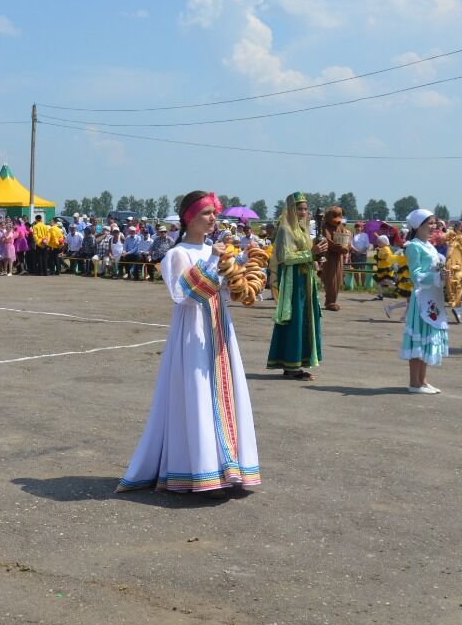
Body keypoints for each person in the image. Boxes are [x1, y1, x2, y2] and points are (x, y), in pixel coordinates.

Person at [115, 191, 260, 496]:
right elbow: (184, 294)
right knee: (196, 393)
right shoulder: (177, 254)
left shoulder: (214, 249)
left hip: (219, 328)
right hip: (192, 330)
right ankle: (200, 470)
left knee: (224, 392)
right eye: (206, 213)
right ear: (189, 218)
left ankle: (228, 466)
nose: (213, 219)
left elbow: (232, 288)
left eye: (214, 213)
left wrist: (246, 265)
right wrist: (213, 259)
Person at [267, 192, 326, 380]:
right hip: (293, 281)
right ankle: (291, 365)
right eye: (299, 208)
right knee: (295, 320)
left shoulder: (301, 229)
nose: (303, 212)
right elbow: (286, 257)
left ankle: (296, 362)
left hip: (305, 279)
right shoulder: (286, 229)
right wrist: (311, 253)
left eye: (305, 209)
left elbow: (307, 252)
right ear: (291, 209)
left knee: (306, 319)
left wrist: (316, 254)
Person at [401, 209, 450, 394]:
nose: (433, 227)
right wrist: (437, 276)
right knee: (419, 339)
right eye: (429, 223)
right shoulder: (414, 246)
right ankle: (414, 382)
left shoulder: (429, 245)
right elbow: (416, 276)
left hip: (434, 297)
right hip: (422, 298)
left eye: (434, 223)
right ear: (418, 225)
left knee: (427, 337)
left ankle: (422, 380)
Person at [319, 205, 351, 311]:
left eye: (339, 215)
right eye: (335, 215)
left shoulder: (340, 226)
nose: (337, 220)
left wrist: (346, 247)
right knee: (331, 278)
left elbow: (345, 239)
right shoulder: (325, 226)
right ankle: (330, 302)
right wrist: (340, 248)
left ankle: (333, 300)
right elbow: (327, 241)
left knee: (338, 278)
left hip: (339, 256)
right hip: (329, 256)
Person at [372, 234, 395, 299]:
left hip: (386, 269)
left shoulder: (386, 249)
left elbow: (386, 256)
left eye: (379, 242)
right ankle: (380, 295)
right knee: (378, 281)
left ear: (384, 242)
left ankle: (401, 288)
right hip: (382, 269)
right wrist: (379, 250)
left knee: (388, 282)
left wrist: (380, 252)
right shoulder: (383, 248)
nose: (378, 243)